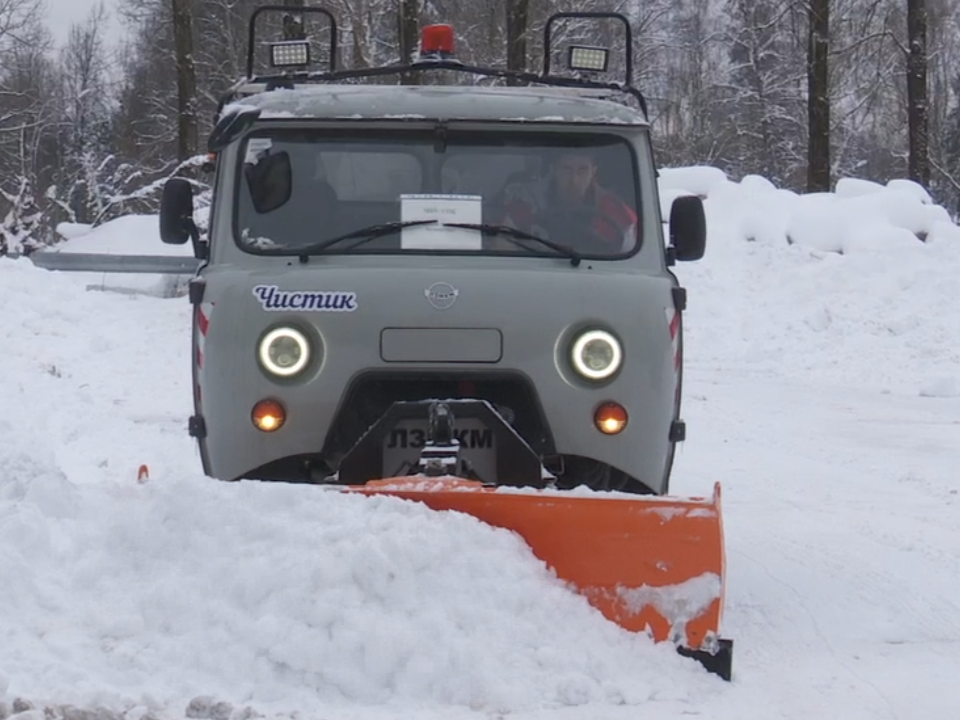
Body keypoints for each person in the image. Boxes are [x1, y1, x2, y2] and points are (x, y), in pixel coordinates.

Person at [498, 149, 638, 253]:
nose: (574, 180)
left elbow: (631, 260)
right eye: (566, 169)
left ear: (593, 172)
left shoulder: (616, 212)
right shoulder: (525, 202)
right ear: (554, 170)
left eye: (582, 170)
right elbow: (501, 245)